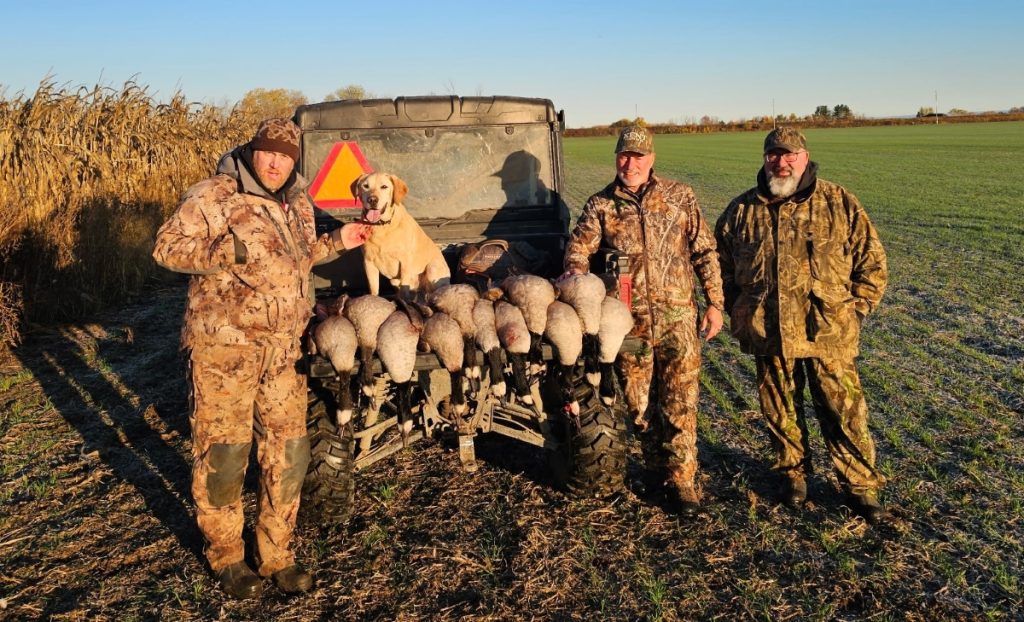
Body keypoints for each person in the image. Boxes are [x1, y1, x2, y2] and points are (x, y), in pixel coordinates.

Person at [153, 118, 370, 598]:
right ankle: (227, 555)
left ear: (295, 161)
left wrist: (338, 242)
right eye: (269, 153)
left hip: (282, 350)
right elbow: (166, 247)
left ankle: (276, 554)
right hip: (224, 351)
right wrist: (223, 248)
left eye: (286, 156)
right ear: (253, 151)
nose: (276, 162)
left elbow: (297, 258)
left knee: (289, 453)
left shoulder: (296, 202)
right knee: (226, 456)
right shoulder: (215, 194)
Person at [714, 127, 891, 524]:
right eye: (774, 155)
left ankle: (861, 487)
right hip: (768, 331)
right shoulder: (742, 211)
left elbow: (873, 262)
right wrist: (737, 306)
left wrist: (856, 310)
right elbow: (718, 265)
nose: (782, 162)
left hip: (828, 332)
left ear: (805, 156)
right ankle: (793, 476)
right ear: (764, 159)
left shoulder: (838, 202)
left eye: (790, 154)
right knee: (779, 409)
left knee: (843, 410)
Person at [563, 125, 724, 518]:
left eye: (638, 156)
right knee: (640, 407)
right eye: (623, 155)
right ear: (616, 156)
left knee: (681, 403)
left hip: (679, 319)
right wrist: (576, 275)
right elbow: (577, 252)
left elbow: (704, 251)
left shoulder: (679, 197)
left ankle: (683, 481)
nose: (629, 163)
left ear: (651, 158)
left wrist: (715, 302)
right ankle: (655, 473)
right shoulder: (600, 205)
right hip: (629, 326)